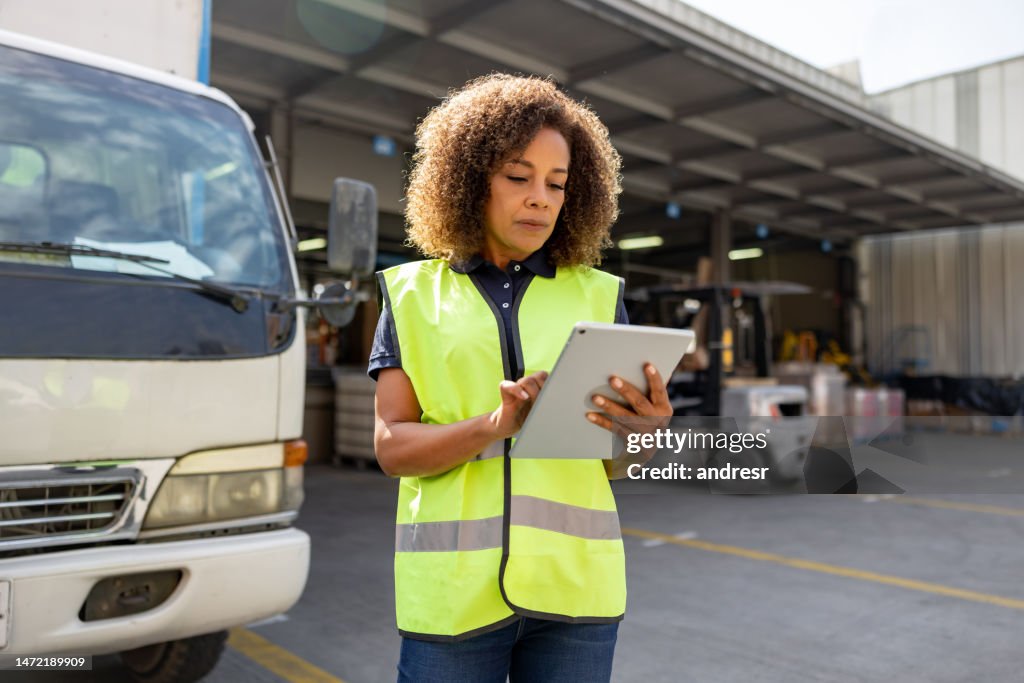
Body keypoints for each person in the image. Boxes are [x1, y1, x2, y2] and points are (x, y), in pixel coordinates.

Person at [369, 73, 672, 683]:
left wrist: (647, 434)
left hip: (576, 592)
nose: (541, 198)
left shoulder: (599, 296)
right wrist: (495, 425)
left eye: (557, 184)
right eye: (518, 177)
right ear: (469, 179)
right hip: (453, 600)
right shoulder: (410, 296)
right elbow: (392, 447)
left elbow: (614, 462)